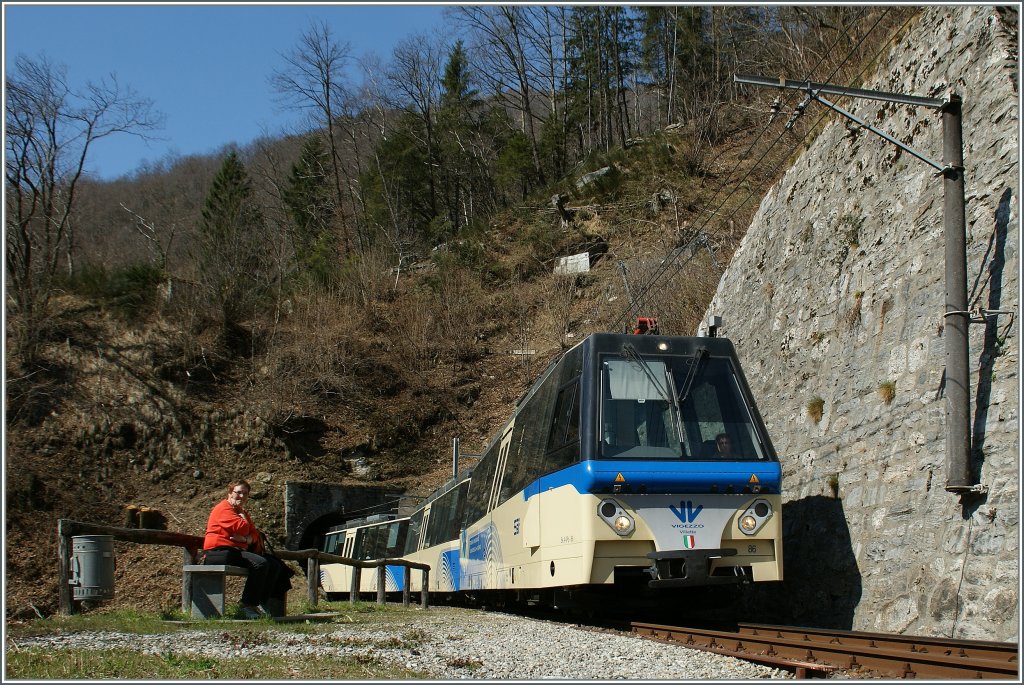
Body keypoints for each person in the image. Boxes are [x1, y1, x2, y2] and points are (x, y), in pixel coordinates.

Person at [202, 479, 293, 619]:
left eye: (245, 493)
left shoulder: (239, 511)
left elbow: (255, 535)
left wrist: (245, 539)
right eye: (238, 493)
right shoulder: (223, 508)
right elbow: (244, 528)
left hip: (235, 551)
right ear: (230, 493)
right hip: (219, 551)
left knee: (275, 565)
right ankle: (246, 605)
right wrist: (245, 523)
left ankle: (261, 602)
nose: (242, 496)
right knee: (260, 563)